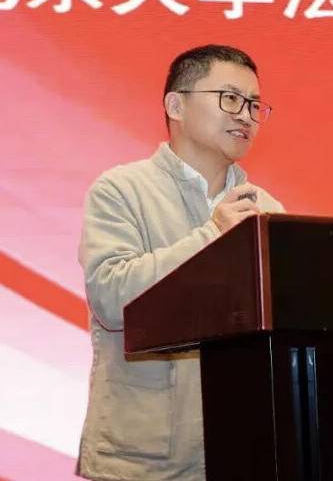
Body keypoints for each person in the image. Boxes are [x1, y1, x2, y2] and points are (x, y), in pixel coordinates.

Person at [75, 44, 284, 480]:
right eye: (230, 98)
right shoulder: (121, 190)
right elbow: (113, 302)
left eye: (254, 104)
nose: (246, 115)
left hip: (241, 452)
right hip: (141, 462)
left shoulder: (266, 210)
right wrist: (212, 235)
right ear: (176, 105)